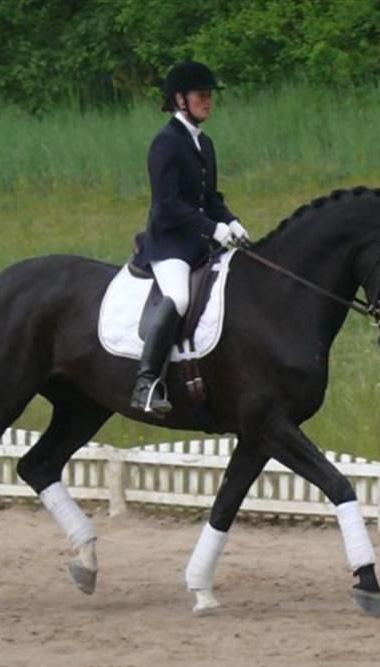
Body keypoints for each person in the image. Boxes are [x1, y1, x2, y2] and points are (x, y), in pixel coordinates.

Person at [130, 61, 250, 417]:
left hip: (198, 243)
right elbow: (167, 206)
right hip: (169, 245)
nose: (208, 101)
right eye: (202, 96)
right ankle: (146, 382)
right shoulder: (165, 143)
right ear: (180, 99)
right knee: (179, 297)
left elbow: (209, 198)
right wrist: (213, 229)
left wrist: (232, 221)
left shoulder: (205, 144)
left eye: (210, 96)